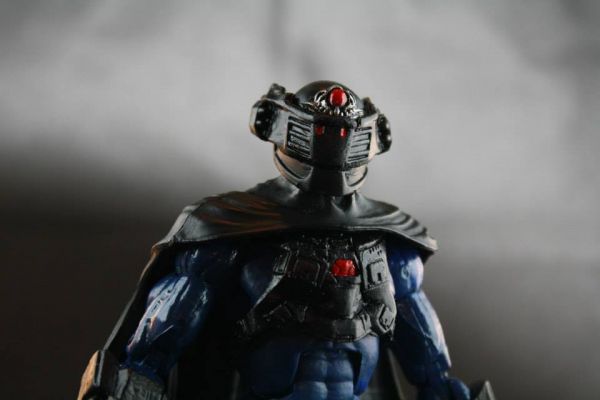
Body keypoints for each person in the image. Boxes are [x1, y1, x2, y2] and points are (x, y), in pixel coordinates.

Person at [77, 81, 495, 400]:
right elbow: (155, 348)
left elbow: (430, 366)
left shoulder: (390, 243)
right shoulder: (230, 231)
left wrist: (445, 390)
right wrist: (134, 384)